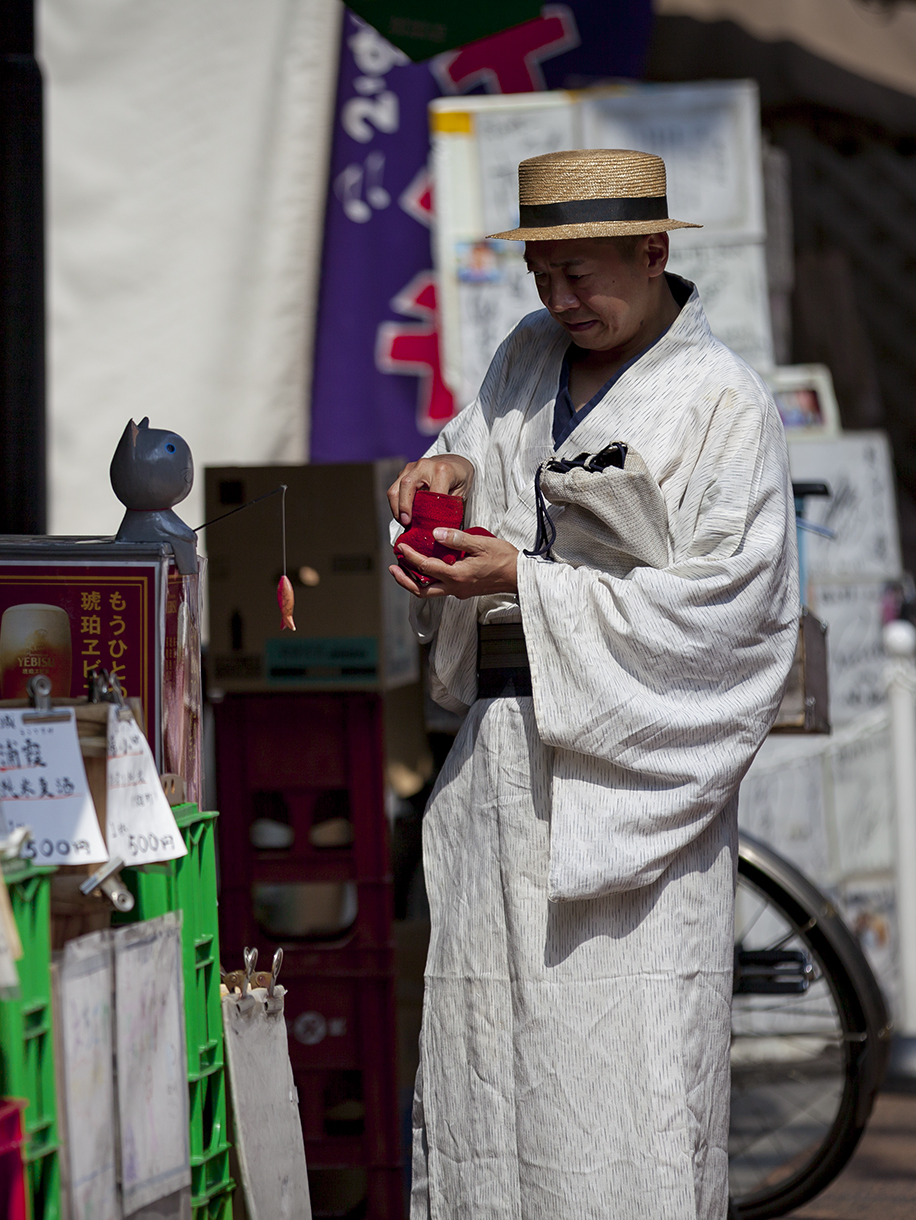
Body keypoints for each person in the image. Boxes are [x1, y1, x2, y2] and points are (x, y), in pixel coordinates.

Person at [387, 149, 798, 1219]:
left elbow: (733, 614)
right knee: (490, 1076)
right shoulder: (526, 356)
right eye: (542, 274)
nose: (559, 299)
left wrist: (525, 581)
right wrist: (440, 481)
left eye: (582, 274)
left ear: (653, 253)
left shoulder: (724, 405)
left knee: (628, 1090)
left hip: (631, 794)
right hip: (500, 771)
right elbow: (467, 460)